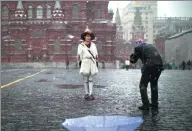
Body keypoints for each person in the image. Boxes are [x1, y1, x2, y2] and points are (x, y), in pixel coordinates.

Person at [130, 39, 164, 110]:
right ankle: (154, 103)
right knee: (154, 84)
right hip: (159, 65)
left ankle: (146, 104)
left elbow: (133, 60)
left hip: (149, 65)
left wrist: (132, 55)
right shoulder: (151, 46)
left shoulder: (138, 48)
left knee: (143, 85)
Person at [77, 26, 98, 100]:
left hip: (92, 62)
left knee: (91, 79)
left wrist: (96, 62)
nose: (88, 38)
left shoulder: (93, 45)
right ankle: (86, 93)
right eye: (87, 36)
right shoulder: (81, 46)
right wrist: (80, 63)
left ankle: (91, 93)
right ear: (84, 37)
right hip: (85, 62)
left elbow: (96, 55)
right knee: (85, 79)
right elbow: (79, 55)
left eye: (89, 36)